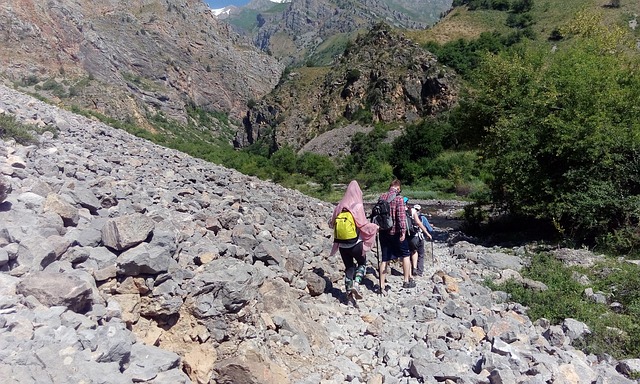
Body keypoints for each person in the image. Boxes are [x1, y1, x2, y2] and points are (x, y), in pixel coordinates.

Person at [329, 180, 379, 299]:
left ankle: (348, 294)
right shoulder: (357, 206)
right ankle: (356, 284)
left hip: (341, 245)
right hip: (356, 243)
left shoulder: (339, 206)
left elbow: (331, 224)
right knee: (362, 263)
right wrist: (375, 227)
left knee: (349, 267)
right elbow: (363, 225)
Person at [377, 179, 415, 292]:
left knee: (384, 258)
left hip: (383, 232)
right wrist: (403, 231)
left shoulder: (381, 197)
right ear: (398, 188)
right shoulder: (399, 199)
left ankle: (381, 285)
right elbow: (401, 217)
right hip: (396, 232)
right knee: (405, 254)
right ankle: (406, 280)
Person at [407, 203, 433, 277]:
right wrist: (428, 234)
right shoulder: (422, 218)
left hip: (410, 236)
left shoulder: (408, 215)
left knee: (410, 253)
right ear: (420, 210)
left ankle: (411, 270)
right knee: (420, 254)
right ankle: (419, 271)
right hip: (419, 237)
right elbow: (429, 228)